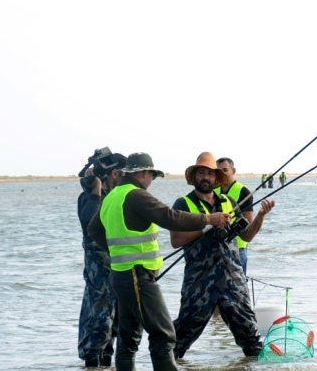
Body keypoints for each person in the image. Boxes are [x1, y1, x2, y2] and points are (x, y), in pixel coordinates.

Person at [87, 152, 215, 371]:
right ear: (144, 173)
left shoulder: (112, 196)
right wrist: (208, 219)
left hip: (121, 275)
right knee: (164, 333)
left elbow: (93, 229)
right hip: (137, 275)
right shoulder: (137, 195)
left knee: (128, 337)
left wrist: (118, 250)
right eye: (152, 176)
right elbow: (170, 217)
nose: (152, 181)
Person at [170, 152, 275, 360]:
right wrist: (208, 222)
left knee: (251, 339)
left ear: (216, 178)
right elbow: (176, 240)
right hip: (198, 282)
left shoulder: (229, 201)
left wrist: (261, 216)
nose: (205, 178)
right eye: (201, 173)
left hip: (232, 280)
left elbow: (247, 236)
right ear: (194, 177)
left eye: (210, 174)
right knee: (179, 339)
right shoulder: (182, 204)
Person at [77, 152, 127, 368]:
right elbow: (89, 224)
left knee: (115, 318)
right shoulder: (90, 196)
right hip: (98, 267)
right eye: (123, 174)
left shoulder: (119, 196)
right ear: (114, 173)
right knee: (99, 315)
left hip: (118, 264)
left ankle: (106, 359)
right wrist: (95, 192)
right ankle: (91, 359)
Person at [214, 156, 258, 275]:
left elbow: (248, 223)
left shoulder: (243, 191)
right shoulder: (214, 190)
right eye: (218, 171)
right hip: (217, 247)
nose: (221, 174)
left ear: (233, 171)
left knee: (238, 288)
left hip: (238, 249)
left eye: (225, 170)